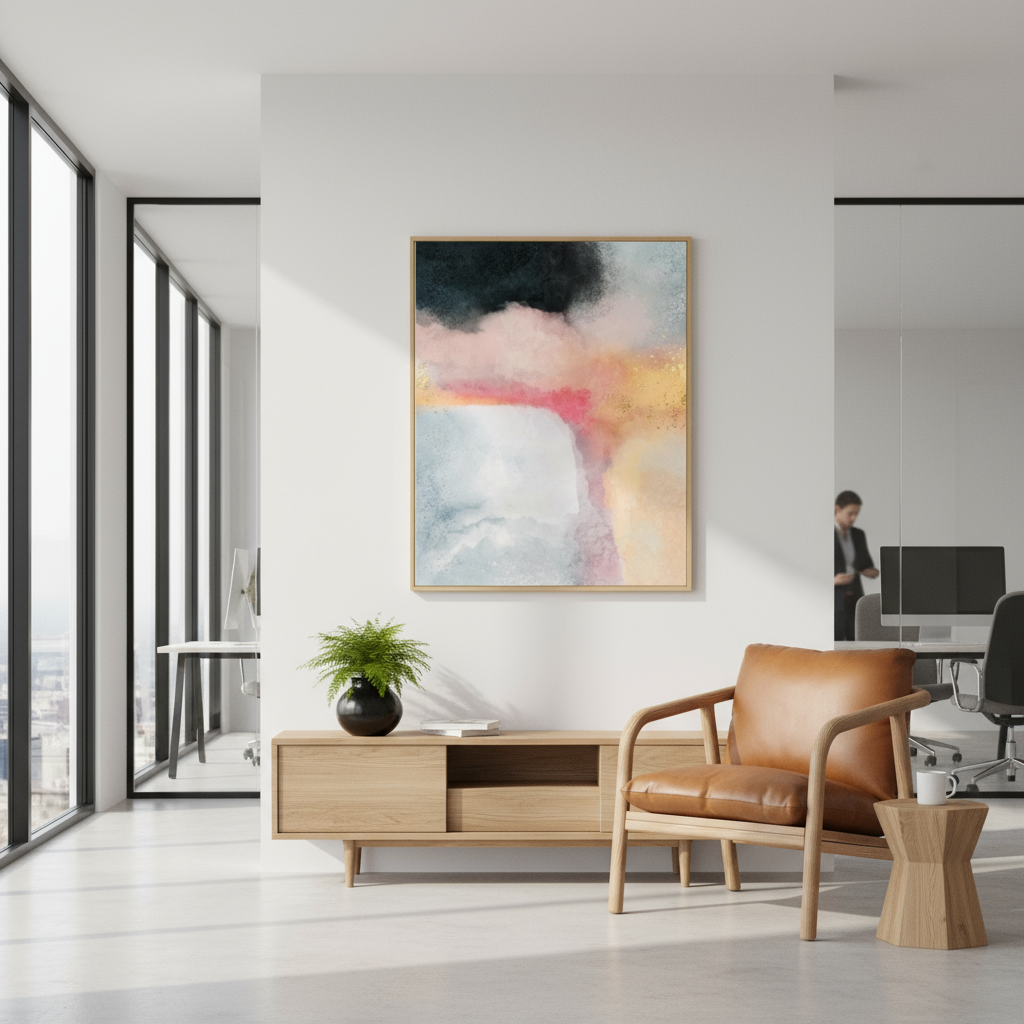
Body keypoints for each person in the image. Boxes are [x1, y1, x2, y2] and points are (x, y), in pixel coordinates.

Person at [834, 490, 879, 641]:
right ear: (838, 509)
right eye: (850, 513)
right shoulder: (824, 534)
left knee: (858, 641)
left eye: (856, 514)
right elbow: (812, 570)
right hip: (833, 598)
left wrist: (871, 572)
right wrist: (833, 581)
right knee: (835, 641)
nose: (854, 518)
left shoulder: (858, 535)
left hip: (855, 597)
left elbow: (868, 566)